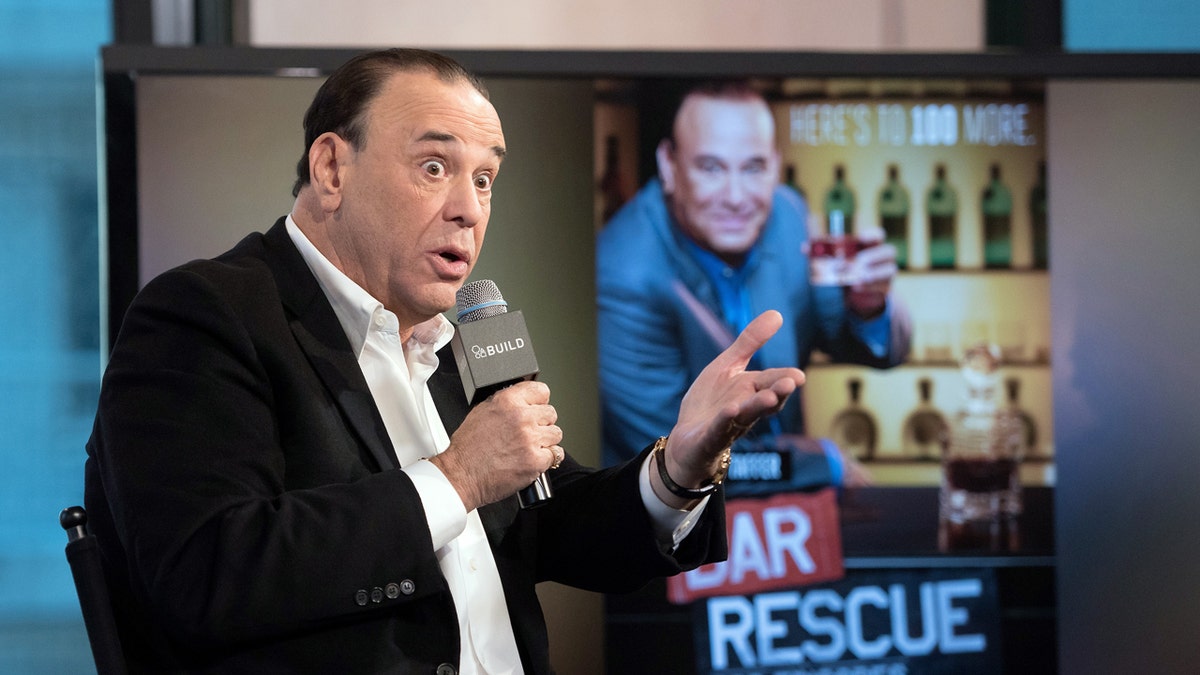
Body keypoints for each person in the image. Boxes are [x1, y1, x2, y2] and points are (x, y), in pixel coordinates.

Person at [83, 50, 806, 674]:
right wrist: (456, 477)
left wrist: (676, 466)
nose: (469, 208)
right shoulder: (203, 317)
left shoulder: (458, 335)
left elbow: (545, 523)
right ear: (331, 166)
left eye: (485, 178)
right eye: (435, 166)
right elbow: (211, 574)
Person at [597, 81, 912, 494]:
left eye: (753, 168)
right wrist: (823, 464)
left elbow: (855, 338)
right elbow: (675, 459)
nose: (736, 197)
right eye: (711, 168)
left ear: (776, 166)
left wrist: (868, 307)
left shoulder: (787, 214)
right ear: (669, 166)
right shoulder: (624, 272)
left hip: (786, 530)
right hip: (669, 532)